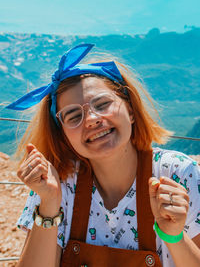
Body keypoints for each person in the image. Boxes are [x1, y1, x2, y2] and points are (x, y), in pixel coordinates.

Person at [6, 44, 200, 267]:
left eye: (103, 103)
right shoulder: (56, 183)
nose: (91, 119)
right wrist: (49, 202)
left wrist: (174, 236)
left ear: (130, 109)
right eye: (72, 116)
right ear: (63, 134)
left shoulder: (179, 174)